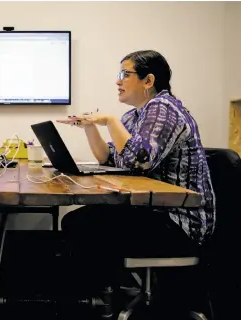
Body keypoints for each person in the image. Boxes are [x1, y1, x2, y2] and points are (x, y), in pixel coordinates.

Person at [57, 50, 216, 312]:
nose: (117, 81)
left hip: (180, 223)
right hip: (156, 213)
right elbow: (109, 157)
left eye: (124, 74)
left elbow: (140, 160)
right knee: (82, 221)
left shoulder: (164, 108)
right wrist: (90, 127)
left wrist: (109, 120)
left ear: (148, 80)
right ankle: (108, 293)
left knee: (82, 224)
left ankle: (102, 301)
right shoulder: (136, 115)